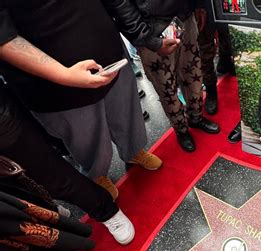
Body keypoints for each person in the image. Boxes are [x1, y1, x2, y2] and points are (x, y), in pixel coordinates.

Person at [0, 0, 162, 201]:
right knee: (85, 138)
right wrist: (64, 75)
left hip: (107, 49)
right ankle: (97, 174)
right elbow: (4, 40)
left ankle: (133, 150)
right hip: (53, 82)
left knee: (126, 113)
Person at [103, 0, 221, 153]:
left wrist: (196, 5)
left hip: (185, 16)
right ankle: (181, 130)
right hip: (151, 28)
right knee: (166, 88)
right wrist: (148, 39)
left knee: (193, 74)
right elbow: (120, 5)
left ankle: (196, 117)